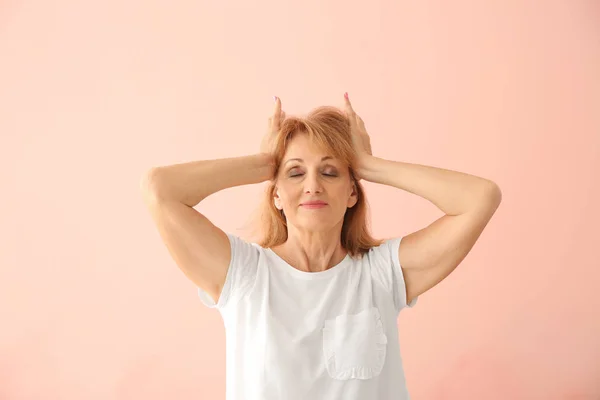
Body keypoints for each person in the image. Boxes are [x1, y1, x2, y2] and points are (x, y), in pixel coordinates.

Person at [140, 93, 502, 400]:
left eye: (330, 172)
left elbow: (480, 198)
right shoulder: (242, 275)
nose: (312, 185)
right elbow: (160, 189)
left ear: (351, 192)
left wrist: (369, 165)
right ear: (276, 194)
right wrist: (262, 163)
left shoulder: (381, 274)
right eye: (295, 173)